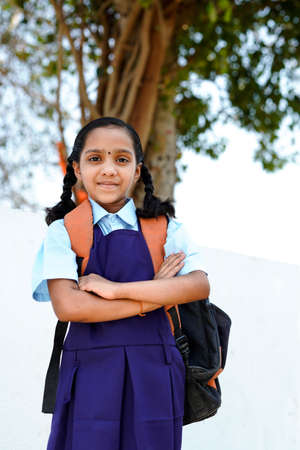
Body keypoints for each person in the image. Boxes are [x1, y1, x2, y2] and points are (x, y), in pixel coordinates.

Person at [31, 116, 210, 450]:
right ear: (78, 169)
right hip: (88, 373)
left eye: (122, 159)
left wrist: (116, 289)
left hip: (155, 372)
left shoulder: (166, 228)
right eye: (95, 158)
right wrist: (155, 293)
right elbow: (70, 305)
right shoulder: (63, 231)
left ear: (137, 171)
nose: (109, 169)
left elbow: (198, 285)